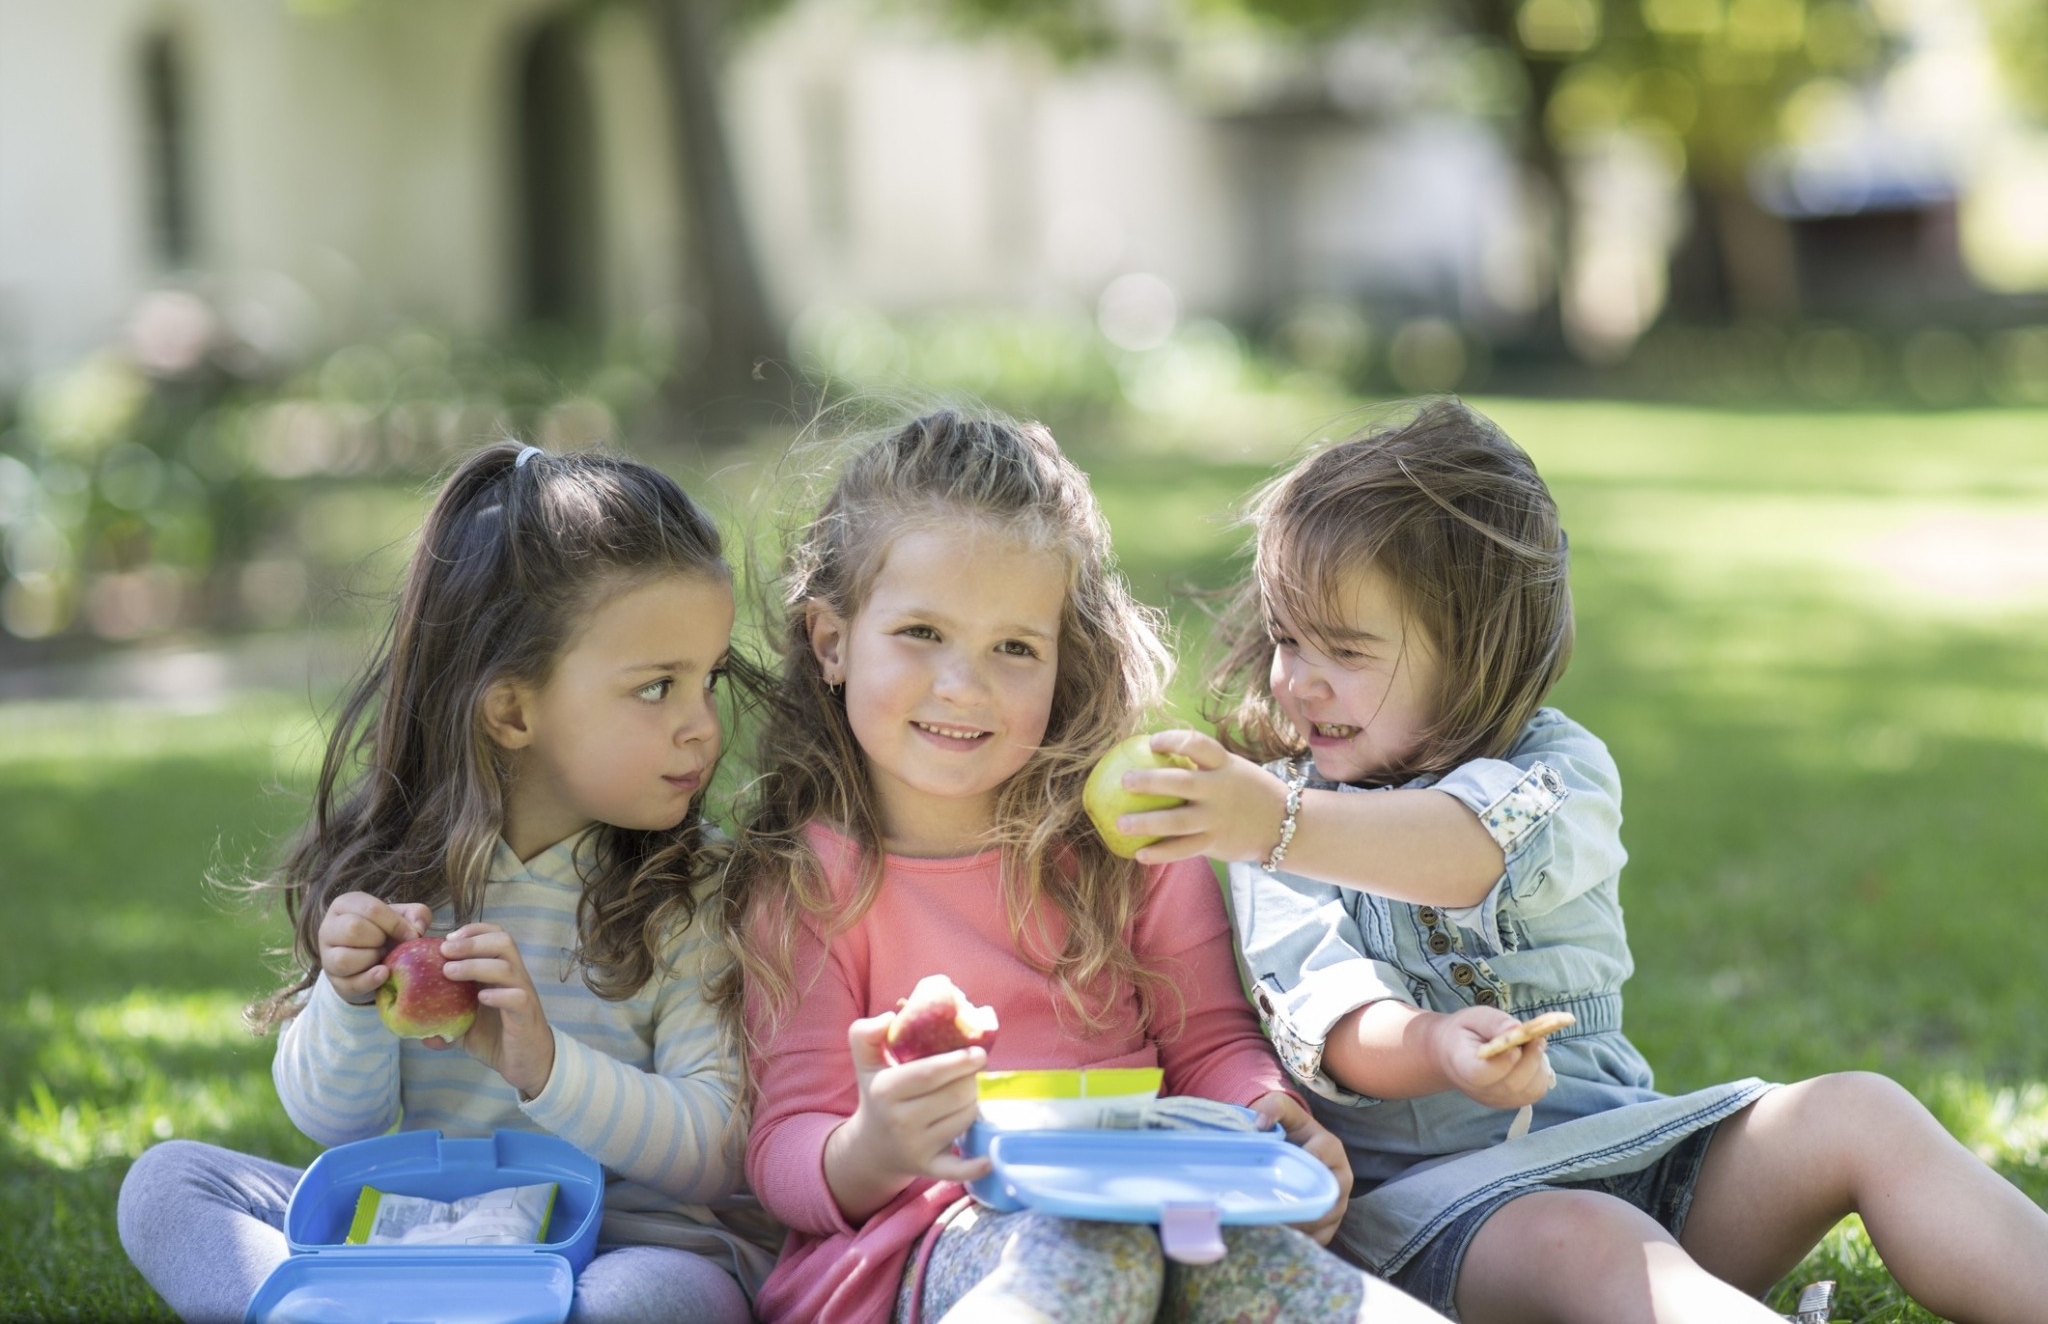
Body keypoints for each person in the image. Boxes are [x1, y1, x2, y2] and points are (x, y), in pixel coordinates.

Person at [1104, 396, 2048, 1324]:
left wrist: (1277, 819)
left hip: (1635, 1152)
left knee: (1862, 1111)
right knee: (1597, 1240)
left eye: (1344, 650)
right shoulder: (1272, 829)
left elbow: (1469, 851)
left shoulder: (1553, 771)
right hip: (1445, 1220)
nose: (1298, 679)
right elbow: (1340, 1026)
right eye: (1286, 638)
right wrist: (1437, 1045)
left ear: (1476, 655)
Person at [715, 408, 1450, 1323]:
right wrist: (876, 1143)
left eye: (1014, 647)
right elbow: (786, 1148)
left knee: (1279, 1278)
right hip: (930, 1236)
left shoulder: (1129, 845)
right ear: (832, 640)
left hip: (1162, 1199)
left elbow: (1210, 1046)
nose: (963, 685)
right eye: (921, 632)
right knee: (1094, 1254)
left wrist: (1272, 1116)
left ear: (1065, 660)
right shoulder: (811, 883)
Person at [118, 442, 778, 1324]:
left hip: (622, 1246)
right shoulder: (399, 879)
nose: (702, 725)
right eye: (658, 687)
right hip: (430, 1231)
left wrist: (546, 1065)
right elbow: (336, 1124)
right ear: (513, 710)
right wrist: (350, 999)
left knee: (660, 1299)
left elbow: (717, 1151)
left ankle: (337, 1312)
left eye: (709, 679)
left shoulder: (697, 888)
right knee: (167, 1181)